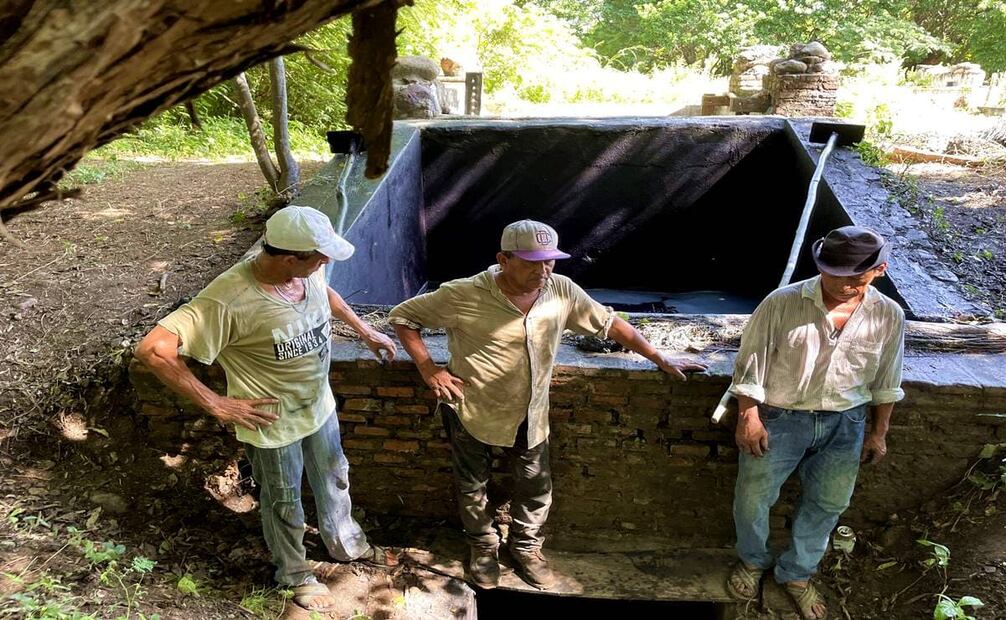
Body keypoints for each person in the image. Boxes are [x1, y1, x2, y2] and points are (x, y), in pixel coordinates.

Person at [388, 219, 707, 590]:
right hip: (472, 408)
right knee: (472, 485)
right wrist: (429, 369)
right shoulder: (463, 294)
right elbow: (403, 317)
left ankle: (526, 547)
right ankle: (483, 547)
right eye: (531, 262)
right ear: (503, 259)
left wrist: (659, 357)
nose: (543, 271)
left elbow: (610, 324)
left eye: (549, 261)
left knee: (535, 486)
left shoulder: (561, 290)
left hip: (531, 412)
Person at [134, 205, 398, 613]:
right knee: (283, 501)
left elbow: (324, 295)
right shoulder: (229, 298)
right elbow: (154, 349)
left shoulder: (306, 271)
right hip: (272, 422)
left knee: (335, 477)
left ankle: (346, 544)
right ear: (289, 258)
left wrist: (364, 330)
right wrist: (216, 403)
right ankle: (295, 574)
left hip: (318, 405)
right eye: (318, 258)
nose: (325, 263)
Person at [727, 226, 905, 620]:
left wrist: (879, 432)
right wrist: (748, 417)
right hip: (780, 417)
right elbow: (749, 366)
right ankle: (753, 561)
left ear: (880, 270)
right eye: (833, 274)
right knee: (753, 496)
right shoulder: (782, 302)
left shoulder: (888, 314)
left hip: (846, 422)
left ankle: (797, 573)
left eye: (854, 278)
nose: (842, 285)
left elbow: (887, 380)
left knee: (829, 502)